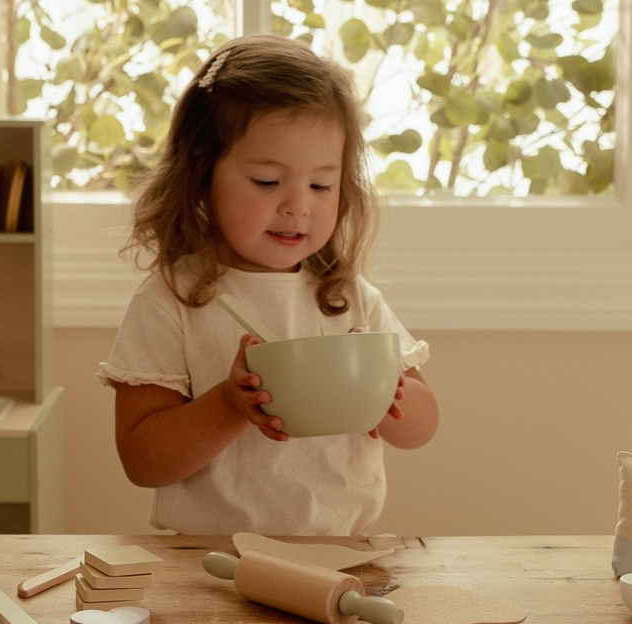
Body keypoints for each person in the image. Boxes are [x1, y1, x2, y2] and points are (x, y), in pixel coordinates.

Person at [98, 34, 438, 535]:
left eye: (321, 184)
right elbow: (143, 461)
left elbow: (422, 429)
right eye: (266, 181)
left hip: (343, 555)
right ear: (201, 178)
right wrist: (228, 404)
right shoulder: (172, 301)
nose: (298, 205)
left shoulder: (347, 298)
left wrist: (386, 389)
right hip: (208, 562)